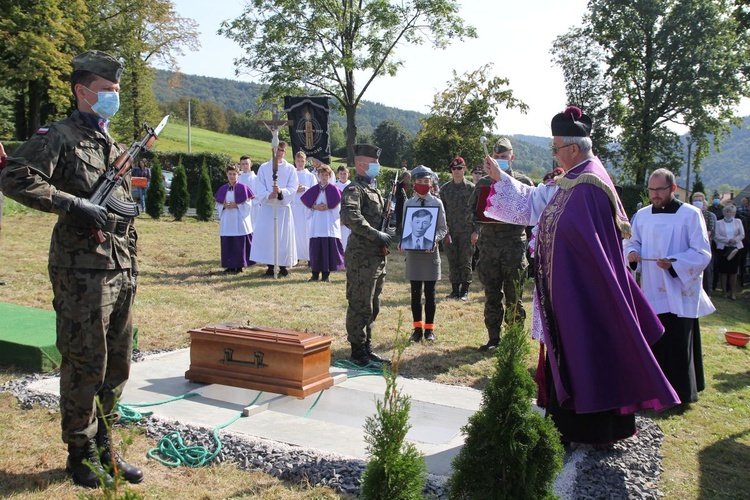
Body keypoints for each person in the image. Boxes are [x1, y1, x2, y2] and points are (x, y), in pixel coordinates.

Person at [483, 106, 679, 445]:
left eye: (556, 146)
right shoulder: (575, 177)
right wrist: (503, 180)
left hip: (583, 292)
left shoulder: (589, 184)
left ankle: (588, 430)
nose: (554, 153)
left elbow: (581, 237)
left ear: (573, 148)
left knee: (588, 353)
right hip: (570, 287)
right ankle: (573, 426)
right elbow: (539, 203)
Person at [0, 50, 144, 487]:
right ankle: (80, 453)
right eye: (107, 91)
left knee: (117, 363)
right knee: (86, 362)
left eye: (116, 91)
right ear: (83, 91)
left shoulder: (113, 144)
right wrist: (72, 203)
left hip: (119, 264)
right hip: (80, 268)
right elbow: (15, 177)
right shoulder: (57, 136)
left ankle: (106, 449)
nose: (113, 98)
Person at [624, 168, 714, 404]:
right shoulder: (642, 215)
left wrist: (675, 263)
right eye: (651, 190)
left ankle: (682, 392)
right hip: (652, 287)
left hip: (679, 287)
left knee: (678, 339)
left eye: (659, 189)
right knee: (656, 337)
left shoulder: (691, 215)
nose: (654, 195)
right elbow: (632, 242)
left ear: (673, 188)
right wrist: (633, 253)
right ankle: (656, 390)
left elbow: (701, 252)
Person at [467, 137, 533, 351]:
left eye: (503, 158)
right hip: (489, 247)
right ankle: (494, 339)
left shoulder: (523, 182)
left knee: (514, 296)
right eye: (496, 158)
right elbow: (471, 211)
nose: (500, 161)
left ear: (512, 157)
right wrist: (478, 219)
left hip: (513, 246)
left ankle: (514, 341)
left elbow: (532, 214)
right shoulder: (484, 183)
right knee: (492, 295)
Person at [340, 143, 392, 367]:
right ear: (361, 165)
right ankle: (357, 350)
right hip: (361, 256)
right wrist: (376, 234)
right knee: (360, 303)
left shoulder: (374, 189)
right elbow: (351, 217)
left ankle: (367, 347)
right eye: (374, 163)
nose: (378, 166)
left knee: (373, 304)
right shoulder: (354, 189)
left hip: (377, 256)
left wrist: (388, 227)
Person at [399, 166, 447, 342]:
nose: (423, 185)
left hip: (430, 254)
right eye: (419, 182)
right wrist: (402, 241)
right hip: (414, 255)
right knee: (415, 293)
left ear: (431, 183)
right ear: (414, 183)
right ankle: (417, 329)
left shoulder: (437, 203)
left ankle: (429, 330)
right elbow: (405, 227)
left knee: (430, 293)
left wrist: (434, 239)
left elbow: (443, 228)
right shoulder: (408, 203)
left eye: (426, 182)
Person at [249, 141, 299, 277]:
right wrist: (268, 194)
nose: (279, 153)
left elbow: (294, 187)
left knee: (282, 238)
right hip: (268, 207)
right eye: (276, 150)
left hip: (282, 208)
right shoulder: (264, 168)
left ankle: (283, 267)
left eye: (281, 150)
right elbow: (259, 185)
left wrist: (281, 191)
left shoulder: (290, 169)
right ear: (272, 150)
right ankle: (270, 266)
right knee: (268, 237)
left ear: (285, 152)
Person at [300, 163, 345, 281]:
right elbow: (307, 206)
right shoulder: (314, 189)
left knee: (327, 249)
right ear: (318, 176)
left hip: (328, 223)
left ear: (330, 176)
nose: (324, 177)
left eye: (326, 175)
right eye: (322, 175)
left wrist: (329, 207)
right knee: (316, 249)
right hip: (316, 224)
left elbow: (337, 207)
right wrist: (314, 207)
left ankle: (326, 274)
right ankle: (315, 274)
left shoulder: (334, 190)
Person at [440, 157, 475, 300]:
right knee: (453, 260)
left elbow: (477, 211)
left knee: (465, 260)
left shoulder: (472, 189)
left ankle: (465, 291)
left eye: (459, 168)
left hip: (467, 231)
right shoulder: (445, 189)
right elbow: (441, 211)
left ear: (464, 169)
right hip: (450, 231)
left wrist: (476, 231)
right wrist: (442, 228)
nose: (456, 171)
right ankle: (455, 290)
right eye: (454, 169)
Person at [214, 164, 254, 273]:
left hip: (239, 219)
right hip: (227, 220)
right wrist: (223, 206)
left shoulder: (243, 188)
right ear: (227, 174)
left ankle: (239, 265)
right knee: (228, 242)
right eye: (230, 174)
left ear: (238, 175)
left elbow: (248, 204)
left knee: (239, 242)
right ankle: (229, 265)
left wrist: (237, 205)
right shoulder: (223, 189)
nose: (232, 176)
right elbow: (217, 204)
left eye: (234, 174)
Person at [714, 203, 745, 300]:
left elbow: (742, 234)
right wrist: (728, 240)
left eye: (731, 212)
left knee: (734, 272)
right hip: (724, 249)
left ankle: (733, 292)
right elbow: (716, 236)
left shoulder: (738, 221)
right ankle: (724, 292)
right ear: (724, 213)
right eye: (727, 212)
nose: (729, 214)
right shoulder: (719, 223)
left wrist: (734, 240)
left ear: (734, 213)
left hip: (735, 248)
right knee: (723, 271)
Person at [291, 151, 317, 262]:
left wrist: (305, 188)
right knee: (294, 233)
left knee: (307, 232)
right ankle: (295, 256)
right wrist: (294, 189)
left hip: (306, 207)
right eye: (298, 161)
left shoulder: (310, 176)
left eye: (302, 161)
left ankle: (309, 256)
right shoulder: (291, 174)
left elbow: (315, 190)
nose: (300, 163)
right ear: (295, 161)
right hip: (294, 206)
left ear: (305, 161)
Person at [691, 191, 717, 296]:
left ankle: (707, 293)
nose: (697, 202)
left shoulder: (709, 215)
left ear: (704, 202)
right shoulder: (689, 214)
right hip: (691, 246)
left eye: (699, 200)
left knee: (706, 270)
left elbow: (709, 231)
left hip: (704, 246)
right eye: (695, 200)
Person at [334, 165, 351, 252]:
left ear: (348, 174)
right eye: (341, 174)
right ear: (337, 175)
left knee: (347, 237)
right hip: (337, 215)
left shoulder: (352, 186)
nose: (343, 176)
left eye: (345, 173)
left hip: (348, 215)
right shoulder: (334, 186)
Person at [394, 170, 410, 239]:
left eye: (409, 177)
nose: (409, 179)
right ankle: (398, 235)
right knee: (399, 221)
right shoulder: (399, 185)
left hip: (408, 207)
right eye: (407, 177)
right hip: (400, 207)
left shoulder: (410, 186)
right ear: (403, 177)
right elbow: (397, 195)